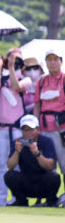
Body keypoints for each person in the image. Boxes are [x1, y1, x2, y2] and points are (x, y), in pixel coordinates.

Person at [0, 49, 31, 205]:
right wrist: (0, 67)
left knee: (16, 164)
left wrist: (13, 68)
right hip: (1, 129)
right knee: (1, 164)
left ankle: (16, 197)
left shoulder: (25, 79)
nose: (14, 62)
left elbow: (16, 87)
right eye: (12, 59)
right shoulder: (2, 77)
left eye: (18, 60)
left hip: (16, 129)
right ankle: (2, 198)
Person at [5, 114, 61, 206]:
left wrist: (37, 154)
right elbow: (10, 166)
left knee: (54, 177)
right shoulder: (17, 142)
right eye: (25, 130)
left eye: (31, 129)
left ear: (38, 129)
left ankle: (50, 201)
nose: (28, 133)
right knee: (9, 176)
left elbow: (50, 166)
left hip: (43, 180)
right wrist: (17, 152)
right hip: (27, 181)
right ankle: (21, 201)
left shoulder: (46, 141)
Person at [33, 50, 65, 185]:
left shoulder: (64, 80)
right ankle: (50, 197)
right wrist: (36, 127)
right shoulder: (41, 81)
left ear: (61, 61)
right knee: (47, 164)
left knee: (64, 164)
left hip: (61, 129)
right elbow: (37, 106)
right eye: (49, 59)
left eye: (55, 59)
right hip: (44, 129)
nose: (52, 62)